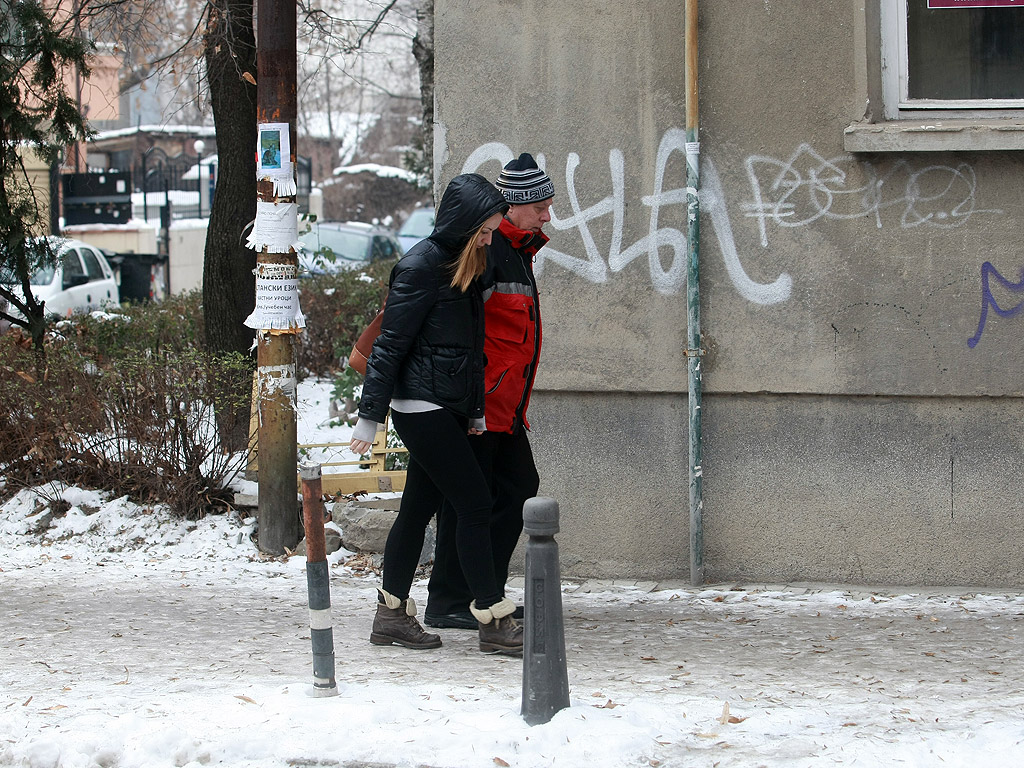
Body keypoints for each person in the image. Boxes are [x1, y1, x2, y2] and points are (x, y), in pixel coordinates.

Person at [350, 172, 524, 656]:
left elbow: (468, 350)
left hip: (444, 408)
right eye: (486, 232)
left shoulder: (460, 263)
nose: (490, 240)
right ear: (466, 225)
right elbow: (389, 346)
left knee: (417, 509)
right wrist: (371, 416)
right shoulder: (420, 266)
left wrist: (473, 413)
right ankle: (494, 618)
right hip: (419, 408)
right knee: (473, 504)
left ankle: (390, 616)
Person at [424, 153, 552, 629]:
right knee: (471, 501)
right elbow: (458, 326)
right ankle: (457, 599)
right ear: (515, 206)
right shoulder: (487, 249)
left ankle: (483, 591)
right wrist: (464, 399)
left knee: (514, 489)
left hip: (505, 407)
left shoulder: (518, 250)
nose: (547, 215)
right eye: (540, 206)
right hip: (478, 405)